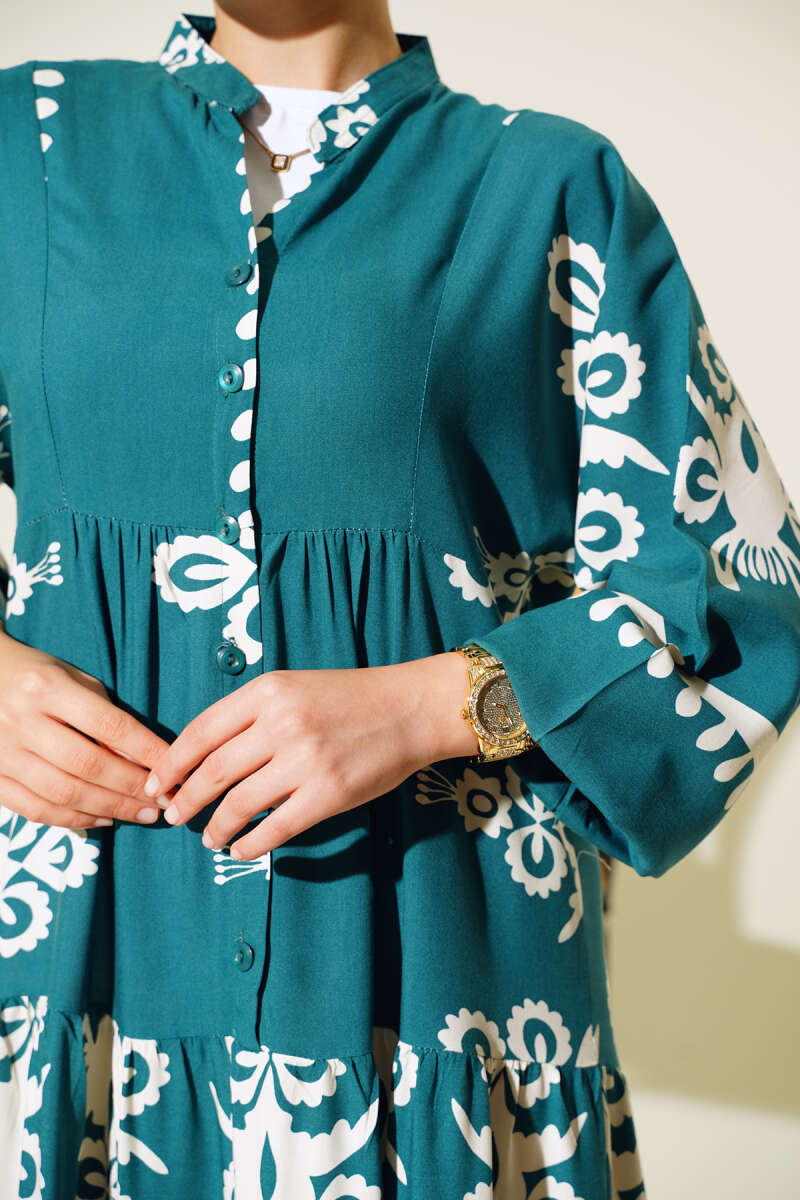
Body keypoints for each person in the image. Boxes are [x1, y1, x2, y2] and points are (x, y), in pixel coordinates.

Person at [1, 2, 799, 1196]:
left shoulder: (549, 186)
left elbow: (738, 599)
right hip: (69, 979)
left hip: (439, 985)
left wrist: (437, 704)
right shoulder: (25, 144)